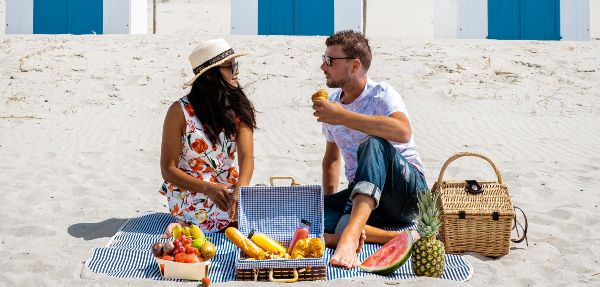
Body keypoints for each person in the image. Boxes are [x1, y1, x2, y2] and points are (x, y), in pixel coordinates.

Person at [312, 30, 428, 268]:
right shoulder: (332, 104)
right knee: (308, 213)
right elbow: (332, 160)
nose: (323, 67)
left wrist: (343, 117)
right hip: (366, 196)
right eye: (324, 59)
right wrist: (329, 201)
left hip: (407, 194)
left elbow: (402, 131)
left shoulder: (381, 94)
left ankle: (350, 236)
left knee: (373, 142)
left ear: (354, 66)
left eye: (330, 61)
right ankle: (393, 237)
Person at [159, 38, 256, 236]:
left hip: (229, 185)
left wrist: (240, 190)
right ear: (211, 75)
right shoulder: (179, 111)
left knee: (260, 208)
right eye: (231, 66)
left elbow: (246, 159)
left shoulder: (239, 106)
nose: (236, 71)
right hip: (192, 188)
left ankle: (186, 228)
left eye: (236, 65)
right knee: (231, 225)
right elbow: (168, 170)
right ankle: (185, 227)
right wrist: (207, 188)